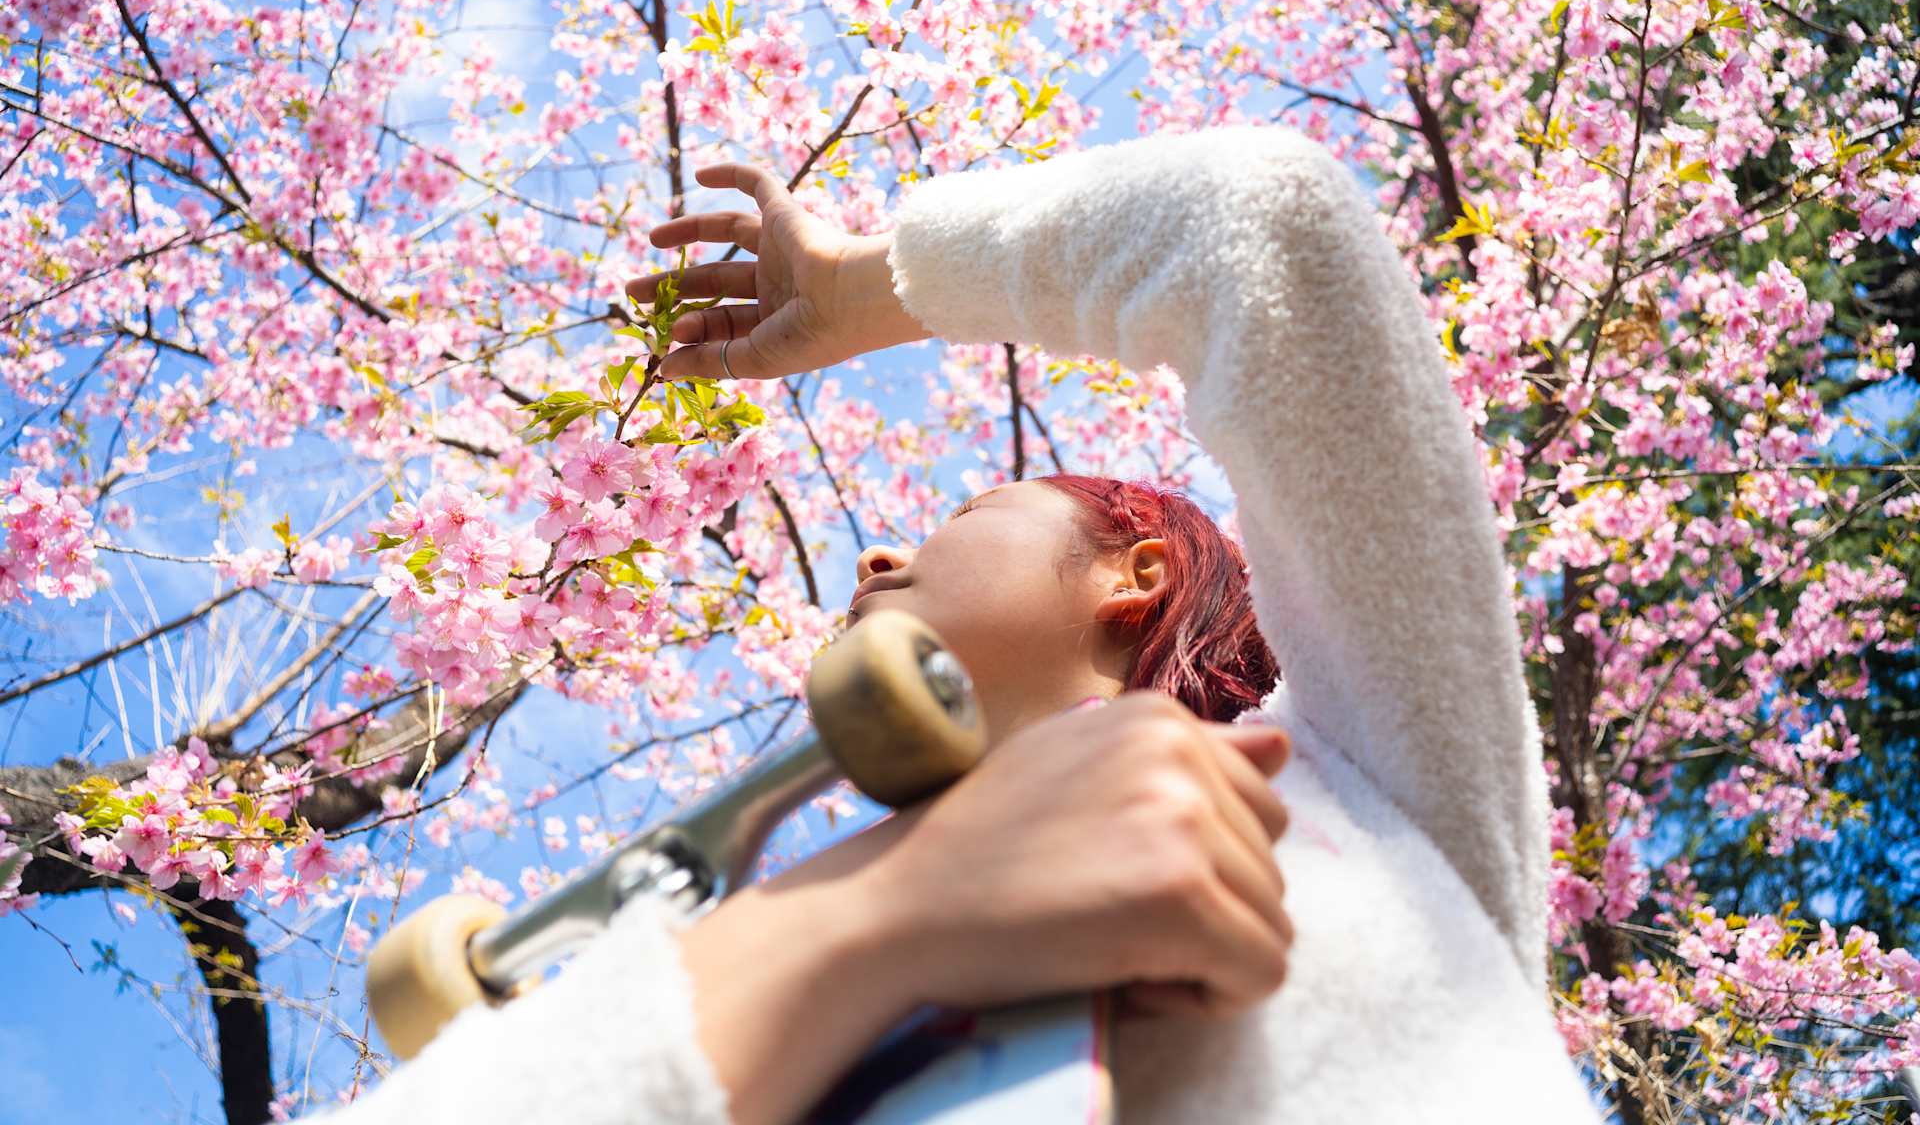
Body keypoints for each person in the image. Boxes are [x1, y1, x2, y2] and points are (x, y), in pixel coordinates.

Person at [312, 123, 1601, 1124]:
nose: (878, 552)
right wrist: (872, 921)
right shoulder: (765, 955)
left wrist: (864, 286)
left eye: (972, 508)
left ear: (1135, 573)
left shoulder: (1370, 776)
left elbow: (1262, 230)